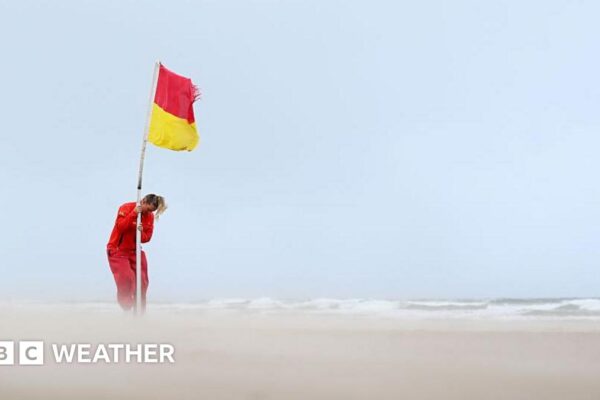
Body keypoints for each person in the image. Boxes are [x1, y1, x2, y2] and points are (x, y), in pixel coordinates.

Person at [106, 194, 167, 311]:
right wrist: (134, 213)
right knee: (127, 279)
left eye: (152, 211)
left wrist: (141, 232)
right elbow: (121, 227)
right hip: (118, 251)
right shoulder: (126, 208)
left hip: (135, 251)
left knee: (143, 281)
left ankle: (139, 311)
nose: (150, 213)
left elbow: (146, 238)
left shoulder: (149, 217)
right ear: (143, 201)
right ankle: (126, 307)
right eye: (148, 209)